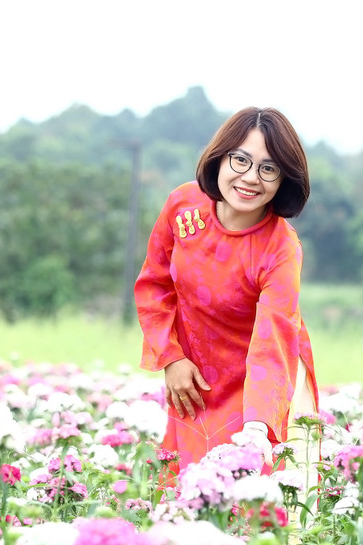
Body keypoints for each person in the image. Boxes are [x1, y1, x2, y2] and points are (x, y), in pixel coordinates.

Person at [134, 107, 319, 478]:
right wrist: (170, 358)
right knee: (185, 490)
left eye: (269, 168)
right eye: (241, 160)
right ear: (219, 158)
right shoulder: (182, 205)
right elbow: (154, 284)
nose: (251, 178)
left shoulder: (281, 249)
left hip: (258, 383)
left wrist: (258, 426)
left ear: (283, 179)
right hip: (193, 378)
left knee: (250, 493)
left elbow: (272, 341)